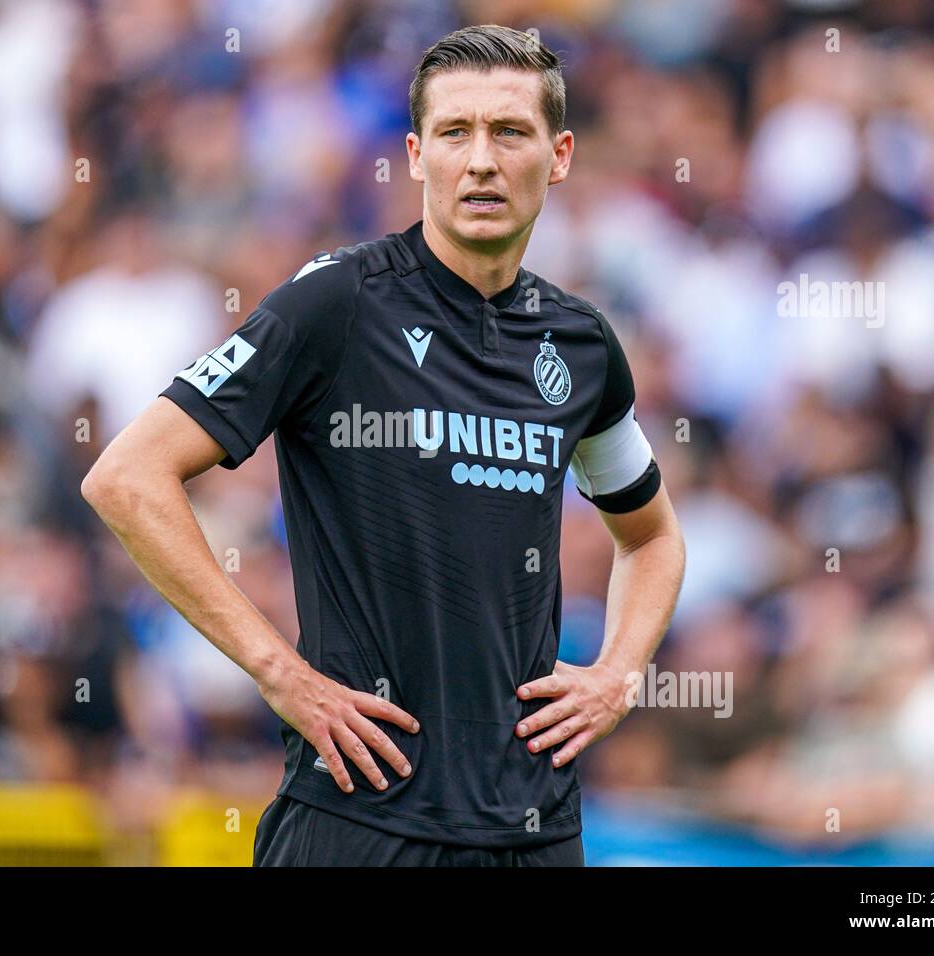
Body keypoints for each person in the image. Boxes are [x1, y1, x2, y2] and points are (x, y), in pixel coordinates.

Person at [83, 24, 685, 866]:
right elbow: (127, 477)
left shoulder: (580, 346)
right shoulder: (337, 304)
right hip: (358, 817)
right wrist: (278, 673)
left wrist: (618, 674)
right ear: (415, 154)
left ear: (560, 155)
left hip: (533, 830)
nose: (481, 160)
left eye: (510, 132)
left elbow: (651, 534)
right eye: (454, 133)